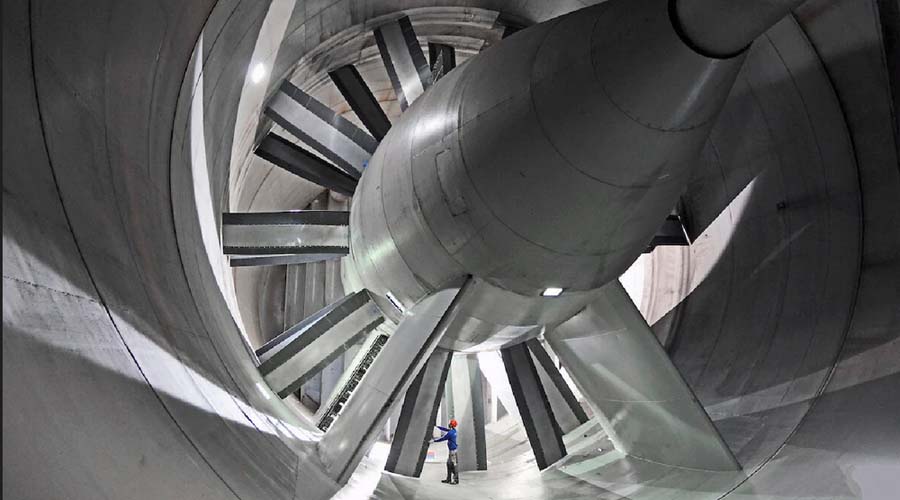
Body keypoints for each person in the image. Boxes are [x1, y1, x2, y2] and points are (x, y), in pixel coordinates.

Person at [433, 419, 459, 484]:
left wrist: (433, 441)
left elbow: (443, 438)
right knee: (449, 464)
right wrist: (437, 427)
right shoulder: (453, 431)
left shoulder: (450, 433)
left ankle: (455, 480)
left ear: (451, 425)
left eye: (450, 423)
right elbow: (445, 429)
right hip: (452, 451)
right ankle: (449, 479)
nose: (449, 424)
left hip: (453, 452)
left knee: (454, 465)